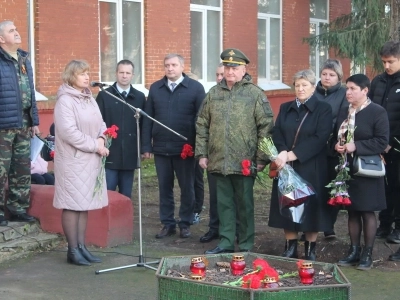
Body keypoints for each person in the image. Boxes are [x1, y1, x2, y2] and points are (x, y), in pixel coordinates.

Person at [196, 48, 274, 254]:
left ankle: (246, 245)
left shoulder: (255, 94)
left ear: (244, 69)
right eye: (227, 67)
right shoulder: (213, 93)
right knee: (223, 205)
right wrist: (202, 154)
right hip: (218, 160)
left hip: (245, 162)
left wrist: (261, 159)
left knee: (245, 206)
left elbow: (265, 127)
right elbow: (202, 124)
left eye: (235, 67)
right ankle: (226, 241)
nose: (231, 71)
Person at [268, 69, 333, 261]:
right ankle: (290, 246)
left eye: (305, 85)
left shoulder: (323, 109)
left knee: (311, 206)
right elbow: (277, 131)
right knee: (288, 203)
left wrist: (294, 154)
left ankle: (310, 248)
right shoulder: (286, 107)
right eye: (297, 85)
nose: (301, 89)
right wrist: (281, 152)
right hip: (286, 165)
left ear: (313, 87)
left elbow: (320, 137)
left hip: (311, 165)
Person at [142, 54, 206, 239]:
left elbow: (202, 120)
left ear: (182, 66)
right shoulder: (156, 88)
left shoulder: (195, 88)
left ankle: (185, 223)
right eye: (167, 65)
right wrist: (147, 145)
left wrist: (199, 147)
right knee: (164, 187)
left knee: (187, 187)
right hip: (161, 148)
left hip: (185, 149)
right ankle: (167, 223)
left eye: (174, 65)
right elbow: (147, 119)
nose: (170, 68)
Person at [53, 60, 109, 266]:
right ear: (71, 77)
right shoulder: (65, 101)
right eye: (81, 74)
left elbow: (101, 123)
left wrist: (103, 138)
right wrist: (96, 145)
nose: (87, 77)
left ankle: (82, 246)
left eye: (88, 73)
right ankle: (72, 250)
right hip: (73, 161)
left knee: (83, 204)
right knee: (72, 204)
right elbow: (69, 133)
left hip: (90, 160)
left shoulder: (89, 98)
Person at [334, 74, 389, 270]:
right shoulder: (344, 111)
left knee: (367, 210)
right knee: (353, 210)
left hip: (368, 169)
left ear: (365, 91)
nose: (347, 92)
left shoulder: (377, 112)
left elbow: (382, 141)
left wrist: (355, 145)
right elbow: (337, 134)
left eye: (353, 89)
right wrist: (338, 146)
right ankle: (354, 250)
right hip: (348, 168)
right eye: (347, 88)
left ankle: (368, 253)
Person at [0, 20, 40, 226]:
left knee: (21, 169)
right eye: (11, 31)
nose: (17, 32)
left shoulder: (24, 59)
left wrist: (35, 119)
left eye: (16, 29)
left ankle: (18, 208)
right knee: (1, 169)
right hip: (3, 125)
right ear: (1, 39)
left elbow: (30, 93)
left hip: (24, 123)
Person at [96, 59, 145, 198]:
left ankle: (123, 220)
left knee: (126, 195)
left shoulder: (139, 97)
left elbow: (144, 125)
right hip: (110, 152)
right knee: (108, 193)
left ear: (133, 75)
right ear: (116, 74)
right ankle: (107, 220)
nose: (124, 76)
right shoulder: (105, 95)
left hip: (130, 153)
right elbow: (97, 122)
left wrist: (144, 147)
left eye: (128, 73)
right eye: (121, 72)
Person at [369, 41, 400, 253]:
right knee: (383, 186)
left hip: (397, 146)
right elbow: (371, 110)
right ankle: (385, 223)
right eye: (384, 62)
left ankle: (398, 227)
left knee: (398, 187)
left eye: (391, 61)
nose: (387, 65)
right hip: (378, 145)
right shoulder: (378, 81)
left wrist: (392, 142)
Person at [314, 59, 349, 239]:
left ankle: (329, 226)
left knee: (332, 186)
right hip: (314, 148)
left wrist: (337, 140)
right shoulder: (313, 92)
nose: (327, 78)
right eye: (324, 74)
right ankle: (313, 224)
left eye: (332, 75)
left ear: (339, 77)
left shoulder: (344, 94)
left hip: (334, 147)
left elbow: (344, 119)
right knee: (315, 186)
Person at [199, 63, 226, 243]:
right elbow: (202, 125)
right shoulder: (211, 96)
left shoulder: (248, 94)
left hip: (237, 158)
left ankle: (235, 230)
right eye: (217, 74)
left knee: (234, 198)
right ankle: (214, 228)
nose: (219, 78)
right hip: (215, 155)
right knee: (215, 196)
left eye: (222, 74)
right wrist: (202, 153)